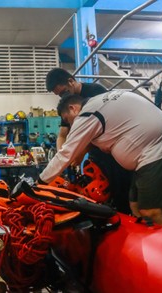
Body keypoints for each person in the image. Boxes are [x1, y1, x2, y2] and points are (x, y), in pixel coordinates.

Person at [37, 91, 162, 227]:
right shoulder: (99, 104)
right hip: (149, 152)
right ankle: (150, 246)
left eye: (68, 120)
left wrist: (39, 184)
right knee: (135, 206)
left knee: (151, 212)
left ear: (73, 108)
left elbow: (65, 153)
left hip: (157, 150)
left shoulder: (87, 114)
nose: (70, 125)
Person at [46, 68, 132, 214]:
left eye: (63, 92)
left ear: (71, 81)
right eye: (59, 95)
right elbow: (62, 135)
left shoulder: (95, 91)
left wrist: (78, 154)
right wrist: (62, 155)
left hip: (113, 154)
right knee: (94, 196)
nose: (62, 97)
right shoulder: (68, 103)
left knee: (120, 196)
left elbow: (102, 129)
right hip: (95, 158)